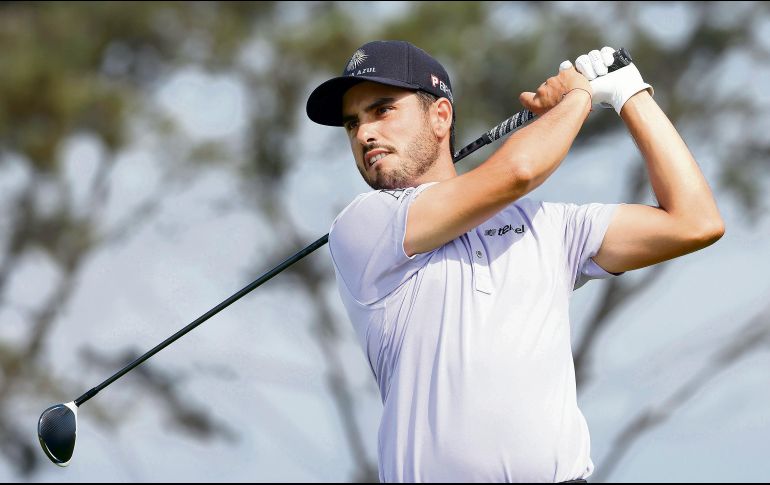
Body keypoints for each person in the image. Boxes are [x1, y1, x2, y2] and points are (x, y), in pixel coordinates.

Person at [305, 40, 724, 483]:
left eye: (382, 110)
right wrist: (579, 96)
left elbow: (695, 222)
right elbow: (518, 172)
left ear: (440, 116)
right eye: (353, 123)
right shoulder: (363, 226)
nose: (364, 134)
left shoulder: (549, 226)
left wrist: (629, 93)